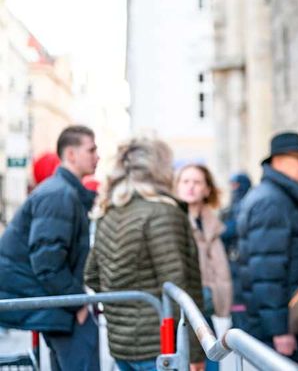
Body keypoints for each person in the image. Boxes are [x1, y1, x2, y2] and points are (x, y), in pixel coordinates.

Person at [84, 137, 205, 371]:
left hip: (122, 346)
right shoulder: (162, 213)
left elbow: (91, 276)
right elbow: (178, 288)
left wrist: (125, 312)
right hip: (163, 349)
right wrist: (195, 352)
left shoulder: (108, 213)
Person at [0, 125, 100, 371]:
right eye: (92, 150)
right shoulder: (59, 195)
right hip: (54, 301)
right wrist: (76, 302)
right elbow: (47, 261)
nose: (97, 156)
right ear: (71, 154)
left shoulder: (63, 191)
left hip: (52, 300)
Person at [237, 131, 298, 368]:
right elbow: (266, 273)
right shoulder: (272, 201)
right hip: (282, 327)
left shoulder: (276, 196)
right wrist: (280, 330)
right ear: (279, 161)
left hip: (286, 320)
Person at [175, 164, 233, 371]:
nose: (190, 187)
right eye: (185, 181)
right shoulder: (173, 220)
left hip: (206, 304)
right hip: (185, 307)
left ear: (207, 189)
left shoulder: (212, 222)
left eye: (197, 182)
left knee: (212, 362)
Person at [219, 171, 251, 329]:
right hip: (232, 263)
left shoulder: (247, 206)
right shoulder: (229, 210)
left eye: (236, 185)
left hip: (245, 263)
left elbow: (233, 229)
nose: (234, 189)